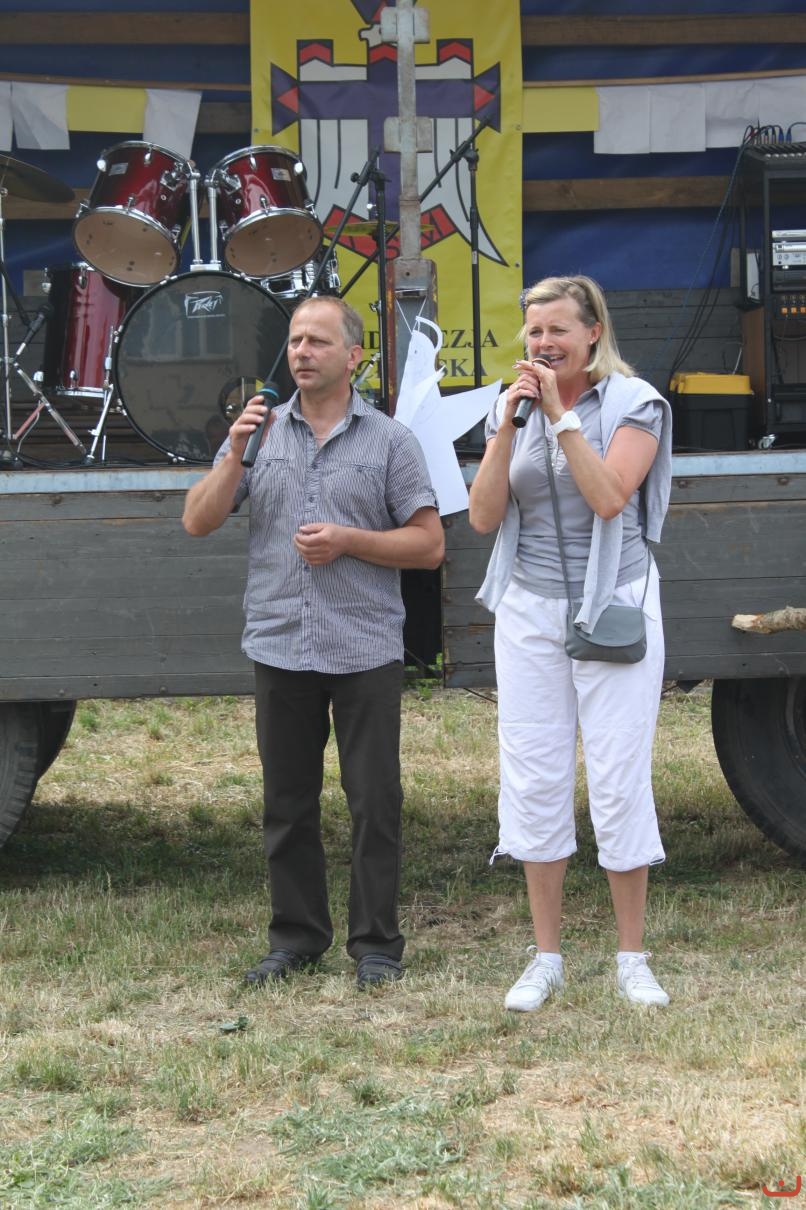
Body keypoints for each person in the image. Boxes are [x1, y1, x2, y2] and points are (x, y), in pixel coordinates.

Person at [183, 295, 444, 989]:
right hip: (280, 642)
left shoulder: (390, 441)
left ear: (353, 356)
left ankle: (377, 947)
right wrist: (233, 454)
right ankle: (296, 940)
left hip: (363, 646)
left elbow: (429, 545)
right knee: (286, 804)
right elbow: (197, 521)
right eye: (296, 341)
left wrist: (349, 541)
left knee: (374, 803)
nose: (302, 352)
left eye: (318, 341)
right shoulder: (258, 431)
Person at [468, 275, 673, 1012]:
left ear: (593, 333)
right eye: (534, 331)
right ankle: (546, 958)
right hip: (529, 607)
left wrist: (560, 417)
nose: (544, 343)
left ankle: (631, 959)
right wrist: (508, 426)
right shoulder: (512, 406)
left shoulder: (635, 402)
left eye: (558, 329)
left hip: (613, 602)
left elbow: (611, 496)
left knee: (618, 777)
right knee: (534, 775)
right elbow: (482, 517)